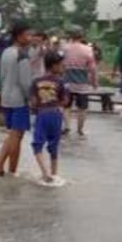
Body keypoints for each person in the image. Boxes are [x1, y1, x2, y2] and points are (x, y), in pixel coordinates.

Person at [0, 22, 34, 177]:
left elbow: (2, 76)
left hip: (6, 98)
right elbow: (25, 83)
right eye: (27, 35)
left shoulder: (5, 52)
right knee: (16, 136)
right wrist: (30, 98)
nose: (30, 38)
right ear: (19, 36)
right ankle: (7, 170)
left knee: (13, 135)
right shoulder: (22, 55)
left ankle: (4, 168)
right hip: (19, 101)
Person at [31, 51, 71, 183]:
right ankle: (54, 175)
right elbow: (65, 101)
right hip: (56, 115)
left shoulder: (36, 81)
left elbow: (33, 102)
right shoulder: (61, 82)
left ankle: (45, 172)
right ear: (54, 66)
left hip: (42, 115)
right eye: (60, 65)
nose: (62, 67)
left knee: (37, 145)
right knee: (54, 146)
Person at [61, 26, 98, 136]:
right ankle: (80, 129)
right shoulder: (87, 49)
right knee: (82, 108)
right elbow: (92, 68)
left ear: (70, 36)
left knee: (66, 106)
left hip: (67, 82)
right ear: (82, 36)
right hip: (82, 83)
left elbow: (60, 64)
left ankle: (67, 127)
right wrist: (94, 81)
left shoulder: (65, 48)